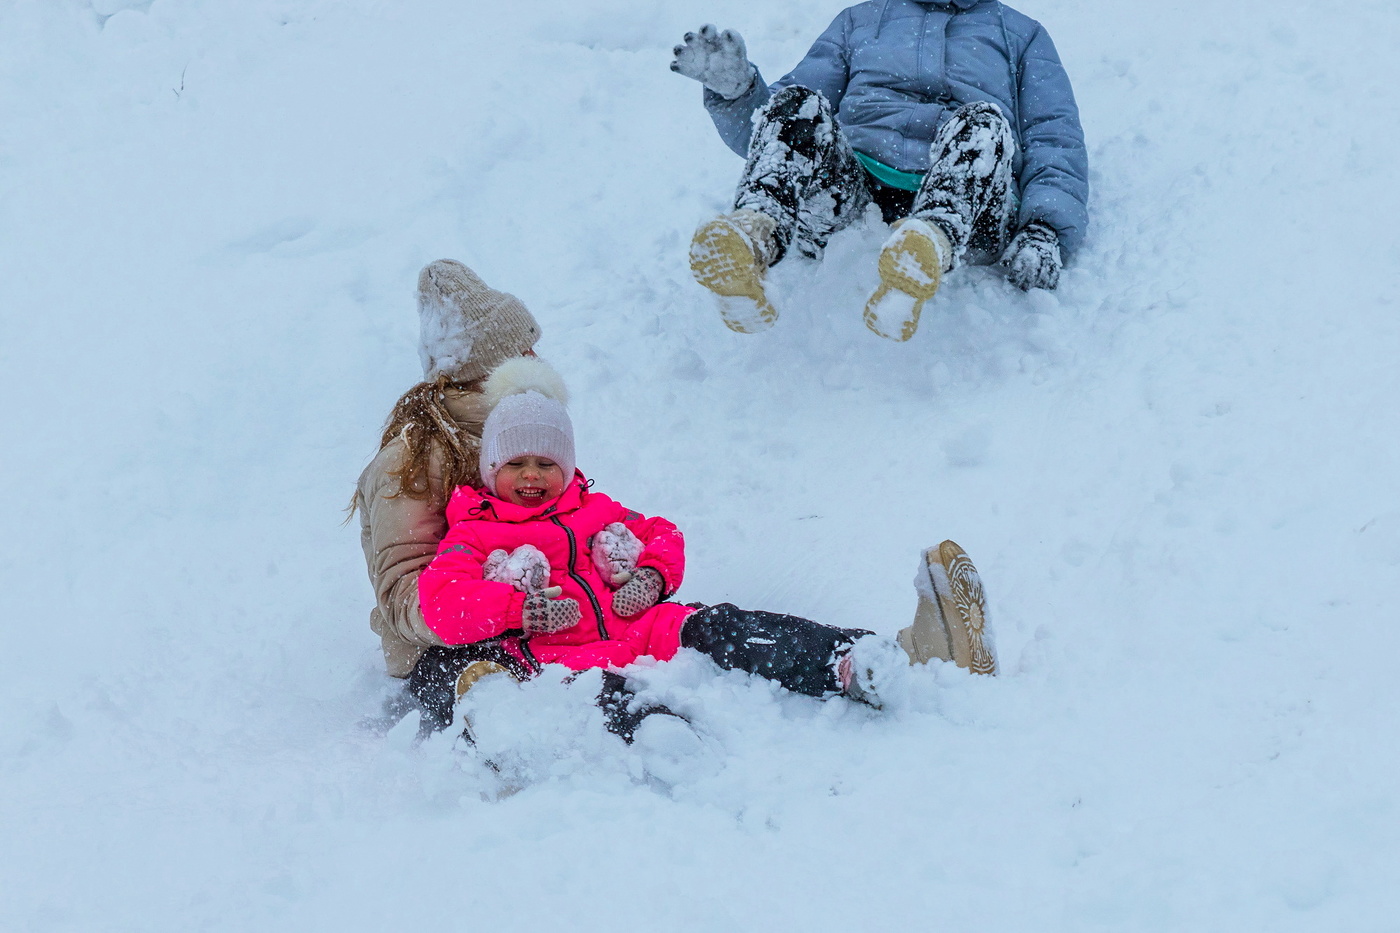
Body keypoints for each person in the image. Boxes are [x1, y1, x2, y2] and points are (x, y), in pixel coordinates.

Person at [410, 357, 997, 738]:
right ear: (491, 469)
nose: (533, 475)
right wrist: (521, 611)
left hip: (642, 629)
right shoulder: (475, 531)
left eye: (547, 462)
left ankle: (848, 659)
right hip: (551, 655)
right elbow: (442, 602)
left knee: (724, 625)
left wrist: (652, 580)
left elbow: (662, 534)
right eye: (517, 462)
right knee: (598, 692)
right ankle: (661, 737)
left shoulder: (597, 510)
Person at [671, 1, 1088, 340]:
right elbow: (780, 127)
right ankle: (754, 237)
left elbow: (1053, 137)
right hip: (854, 199)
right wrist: (739, 93)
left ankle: (928, 246)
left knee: (984, 124)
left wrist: (1043, 230)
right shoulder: (860, 20)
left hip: (967, 196)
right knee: (797, 102)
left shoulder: (1021, 34)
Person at [352, 259, 543, 683]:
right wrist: (504, 610)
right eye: (524, 353)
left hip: (522, 632)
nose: (540, 360)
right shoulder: (411, 461)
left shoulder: (523, 442)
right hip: (443, 658)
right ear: (487, 371)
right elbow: (403, 596)